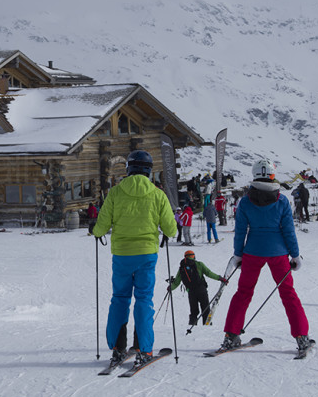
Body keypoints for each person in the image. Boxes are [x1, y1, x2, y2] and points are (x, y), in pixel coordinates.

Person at [91, 150, 177, 370]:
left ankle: (118, 348)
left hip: (122, 254)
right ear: (149, 170)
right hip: (147, 254)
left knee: (119, 298)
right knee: (144, 299)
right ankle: (144, 349)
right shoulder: (157, 194)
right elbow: (171, 229)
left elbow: (101, 226)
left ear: (128, 168)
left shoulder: (116, 193)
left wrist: (97, 231)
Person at [218, 158, 311, 355]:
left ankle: (230, 336)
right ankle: (302, 338)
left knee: (243, 293)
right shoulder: (282, 200)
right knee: (288, 294)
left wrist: (238, 254)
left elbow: (240, 231)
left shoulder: (245, 201)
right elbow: (288, 231)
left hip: (252, 252)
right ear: (272, 175)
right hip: (278, 253)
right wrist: (295, 255)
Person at [170, 250, 228, 326]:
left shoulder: (182, 267)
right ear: (193, 256)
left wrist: (170, 288)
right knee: (205, 309)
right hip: (201, 290)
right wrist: (220, 278)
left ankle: (192, 326)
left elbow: (177, 281)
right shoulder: (199, 264)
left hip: (191, 291)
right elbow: (209, 273)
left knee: (194, 311)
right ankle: (206, 326)